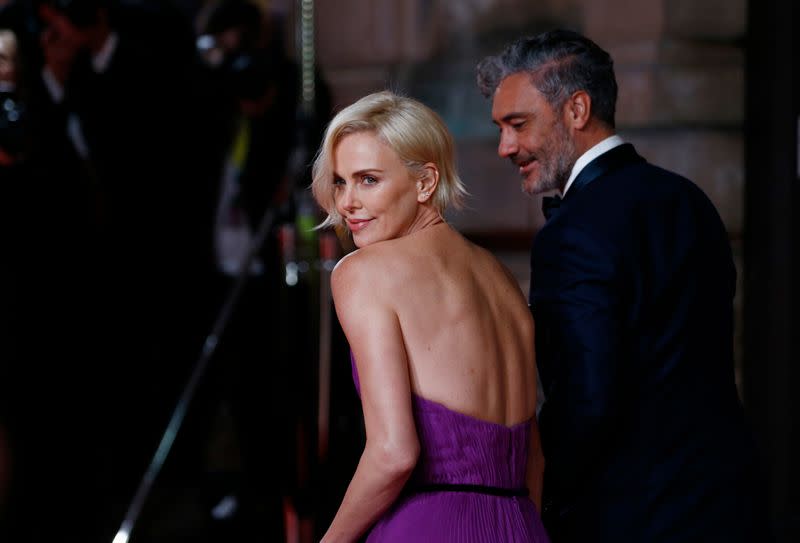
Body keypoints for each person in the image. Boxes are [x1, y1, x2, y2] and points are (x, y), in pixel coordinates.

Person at [476, 29, 768, 542]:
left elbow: (586, 401)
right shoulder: (690, 200)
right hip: (728, 503)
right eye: (500, 128)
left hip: (629, 517)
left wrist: (545, 503)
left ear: (577, 110)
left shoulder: (571, 233)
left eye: (517, 125)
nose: (505, 147)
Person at [311, 90, 550, 542]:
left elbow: (394, 452)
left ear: (424, 183)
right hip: (522, 524)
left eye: (368, 180)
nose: (346, 203)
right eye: (340, 182)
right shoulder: (500, 279)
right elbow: (533, 455)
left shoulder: (363, 273)